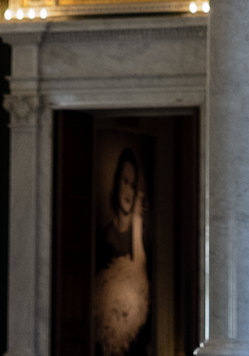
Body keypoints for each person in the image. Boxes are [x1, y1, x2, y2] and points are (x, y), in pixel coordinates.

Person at [92, 146, 150, 356]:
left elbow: (140, 268)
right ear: (117, 182)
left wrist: (136, 219)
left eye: (133, 185)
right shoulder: (107, 233)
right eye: (125, 181)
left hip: (134, 328)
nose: (128, 190)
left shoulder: (140, 229)